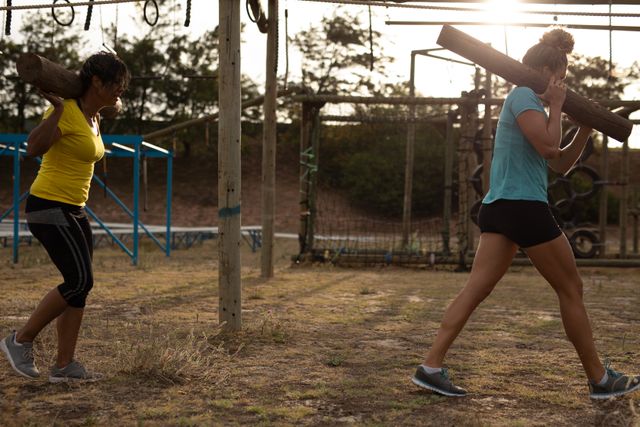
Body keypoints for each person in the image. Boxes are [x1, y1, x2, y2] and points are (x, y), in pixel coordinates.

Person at [411, 28, 640, 399]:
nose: (562, 86)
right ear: (546, 72)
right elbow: (550, 147)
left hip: (502, 209)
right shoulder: (522, 96)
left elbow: (561, 163)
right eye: (560, 79)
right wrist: (558, 106)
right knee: (571, 288)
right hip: (522, 207)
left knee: (476, 289)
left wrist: (583, 127)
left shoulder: (534, 105)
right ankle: (599, 379)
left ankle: (430, 366)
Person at [0, 52, 129, 383]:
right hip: (49, 206)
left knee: (79, 289)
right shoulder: (68, 112)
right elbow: (33, 147)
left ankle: (64, 366)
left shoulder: (93, 117)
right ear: (96, 82)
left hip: (74, 208)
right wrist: (56, 110)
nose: (120, 91)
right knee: (79, 281)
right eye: (116, 84)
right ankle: (20, 340)